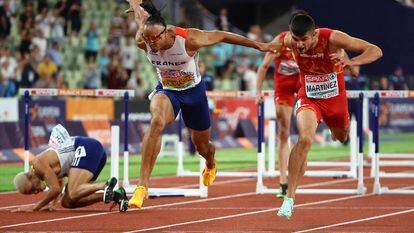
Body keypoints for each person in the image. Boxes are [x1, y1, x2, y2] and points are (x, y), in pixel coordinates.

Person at [125, 0, 273, 208]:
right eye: (147, 39)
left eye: (154, 39)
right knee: (156, 122)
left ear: (166, 33)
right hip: (167, 90)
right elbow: (141, 17)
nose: (150, 44)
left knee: (203, 147)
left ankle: (211, 163)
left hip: (194, 93)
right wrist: (134, 3)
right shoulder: (144, 39)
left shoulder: (188, 39)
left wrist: (259, 45)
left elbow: (222, 35)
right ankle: (142, 186)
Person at [266, 11, 382, 219]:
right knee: (304, 138)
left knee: (341, 136)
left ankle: (304, 155)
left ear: (314, 35)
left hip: (335, 99)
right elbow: (263, 48)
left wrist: (352, 62)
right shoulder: (287, 40)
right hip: (309, 96)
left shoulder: (332, 38)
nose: (299, 45)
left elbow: (375, 50)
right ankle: (289, 199)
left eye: (304, 40)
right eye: (296, 40)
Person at [12, 124, 128, 212]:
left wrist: (36, 207)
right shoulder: (46, 169)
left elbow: (55, 189)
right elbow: (59, 182)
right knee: (67, 202)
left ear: (31, 176)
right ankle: (115, 195)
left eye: (32, 189)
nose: (35, 192)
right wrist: (52, 204)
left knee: (73, 191)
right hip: (93, 153)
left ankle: (104, 186)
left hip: (87, 147)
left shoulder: (38, 164)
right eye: (31, 193)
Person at [256, 31, 300, 199]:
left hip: (303, 83)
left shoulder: (312, 40)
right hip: (284, 87)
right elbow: (263, 67)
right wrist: (258, 92)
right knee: (283, 132)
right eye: (295, 38)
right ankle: (283, 182)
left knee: (306, 128)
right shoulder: (279, 42)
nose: (298, 42)